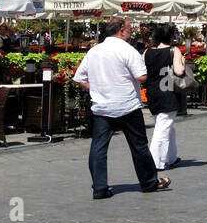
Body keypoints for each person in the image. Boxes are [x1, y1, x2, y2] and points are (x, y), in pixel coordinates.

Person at [73, 19, 170, 199]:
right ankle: (149, 183)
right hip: (127, 105)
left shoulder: (94, 51)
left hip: (102, 106)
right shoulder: (127, 50)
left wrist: (95, 89)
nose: (131, 32)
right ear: (121, 32)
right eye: (128, 29)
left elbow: (79, 77)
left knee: (98, 147)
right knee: (138, 146)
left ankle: (100, 188)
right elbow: (141, 77)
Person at [143, 24, 185, 171]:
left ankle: (171, 157)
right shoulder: (174, 50)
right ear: (171, 37)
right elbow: (179, 71)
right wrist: (183, 63)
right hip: (167, 91)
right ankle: (155, 162)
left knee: (166, 126)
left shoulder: (147, 52)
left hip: (152, 92)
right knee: (162, 129)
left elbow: (142, 72)